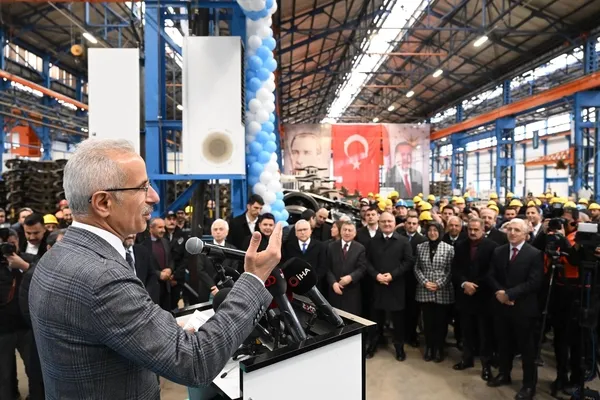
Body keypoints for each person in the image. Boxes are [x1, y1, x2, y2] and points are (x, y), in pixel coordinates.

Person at [29, 138, 283, 399]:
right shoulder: (102, 278)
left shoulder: (55, 257)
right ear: (103, 203)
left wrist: (163, 335)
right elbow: (195, 362)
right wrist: (254, 278)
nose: (154, 196)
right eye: (142, 187)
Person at [486, 218, 543, 400]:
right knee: (503, 343)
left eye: (517, 230)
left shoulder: (534, 254)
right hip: (501, 306)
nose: (512, 233)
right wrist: (500, 293)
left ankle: (529, 385)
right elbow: (491, 275)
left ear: (526, 234)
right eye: (509, 229)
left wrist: (509, 294)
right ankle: (504, 374)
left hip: (523, 308)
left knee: (527, 349)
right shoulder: (499, 251)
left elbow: (534, 282)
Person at [451, 218, 498, 381]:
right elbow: (455, 269)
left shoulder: (493, 247)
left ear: (483, 230)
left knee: (485, 334)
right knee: (466, 331)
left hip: (483, 297)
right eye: (470, 229)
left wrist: (475, 285)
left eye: (476, 229)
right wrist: (464, 283)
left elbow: (492, 271)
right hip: (464, 296)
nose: (472, 232)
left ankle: (486, 366)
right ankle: (467, 359)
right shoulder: (460, 245)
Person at [365, 212, 413, 361]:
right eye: (384, 221)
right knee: (375, 318)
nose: (387, 224)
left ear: (395, 223)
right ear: (379, 223)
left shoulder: (403, 241)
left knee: (398, 321)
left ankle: (399, 348)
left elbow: (408, 262)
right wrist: (376, 275)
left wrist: (392, 275)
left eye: (390, 221)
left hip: (395, 286)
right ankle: (373, 345)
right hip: (377, 285)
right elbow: (366, 262)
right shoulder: (373, 242)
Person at [414, 221, 454, 363]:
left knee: (441, 323)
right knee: (428, 322)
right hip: (424, 289)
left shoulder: (449, 248)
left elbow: (450, 270)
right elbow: (416, 267)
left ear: (440, 232)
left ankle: (439, 348)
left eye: (435, 230)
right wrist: (425, 282)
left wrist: (439, 284)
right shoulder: (420, 247)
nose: (432, 233)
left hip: (442, 291)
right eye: (430, 230)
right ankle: (429, 348)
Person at [326, 221, 367, 316]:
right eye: (345, 230)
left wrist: (350, 277)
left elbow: (362, 268)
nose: (347, 232)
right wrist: (333, 283)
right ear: (341, 231)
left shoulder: (360, 248)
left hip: (352, 292)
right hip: (334, 291)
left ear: (355, 233)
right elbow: (327, 267)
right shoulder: (331, 247)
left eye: (350, 230)